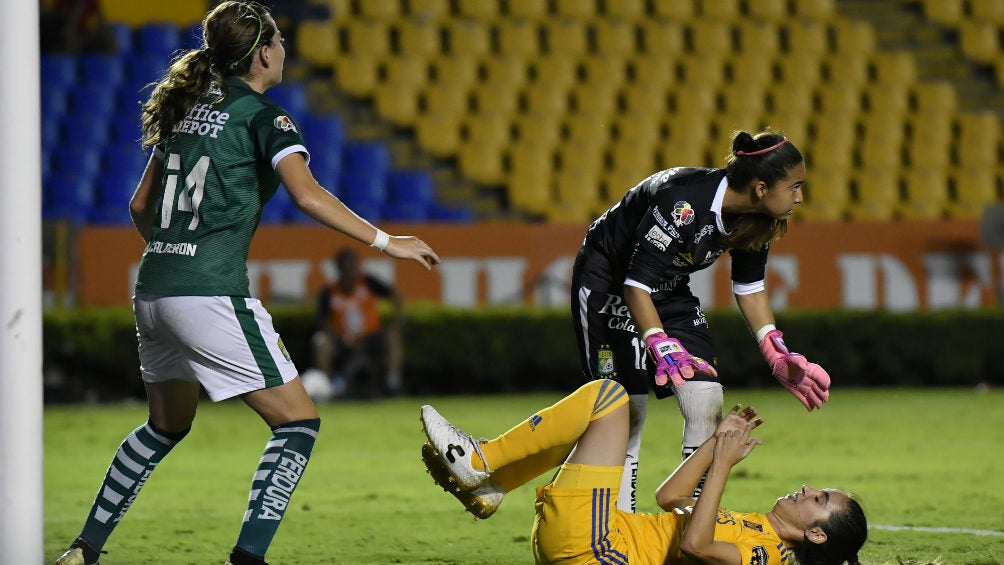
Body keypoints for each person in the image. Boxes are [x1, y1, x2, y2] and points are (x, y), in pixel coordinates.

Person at [54, 3, 439, 565]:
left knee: (164, 427)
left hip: (155, 289)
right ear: (263, 52)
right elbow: (308, 196)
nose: (284, 47)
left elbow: (140, 204)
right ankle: (247, 559)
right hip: (209, 292)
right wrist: (388, 242)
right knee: (298, 423)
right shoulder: (266, 117)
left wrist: (172, 252)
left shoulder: (184, 112)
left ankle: (84, 550)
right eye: (279, 38)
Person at [569, 129, 831, 512]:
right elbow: (635, 285)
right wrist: (658, 341)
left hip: (666, 287)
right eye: (794, 187)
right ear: (761, 188)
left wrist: (774, 350)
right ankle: (616, 529)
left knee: (706, 398)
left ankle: (691, 527)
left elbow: (749, 285)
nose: (800, 196)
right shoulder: (684, 203)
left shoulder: (759, 218)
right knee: (624, 411)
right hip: (608, 280)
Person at [420, 380, 867, 565]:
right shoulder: (755, 526)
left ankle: (484, 461)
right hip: (596, 538)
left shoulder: (766, 558)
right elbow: (669, 497)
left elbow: (695, 544)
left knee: (608, 399)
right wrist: (716, 444)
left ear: (817, 536)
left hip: (599, 548)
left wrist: (724, 467)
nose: (808, 489)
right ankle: (493, 482)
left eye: (820, 500)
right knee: (603, 410)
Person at [311, 246, 405, 398]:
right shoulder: (329, 291)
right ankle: (328, 385)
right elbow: (323, 321)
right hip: (341, 340)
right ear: (339, 268)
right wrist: (341, 337)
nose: (350, 270)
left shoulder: (368, 282)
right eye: (346, 266)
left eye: (353, 265)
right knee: (321, 341)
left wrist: (396, 324)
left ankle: (392, 382)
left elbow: (395, 297)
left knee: (392, 338)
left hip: (371, 337)